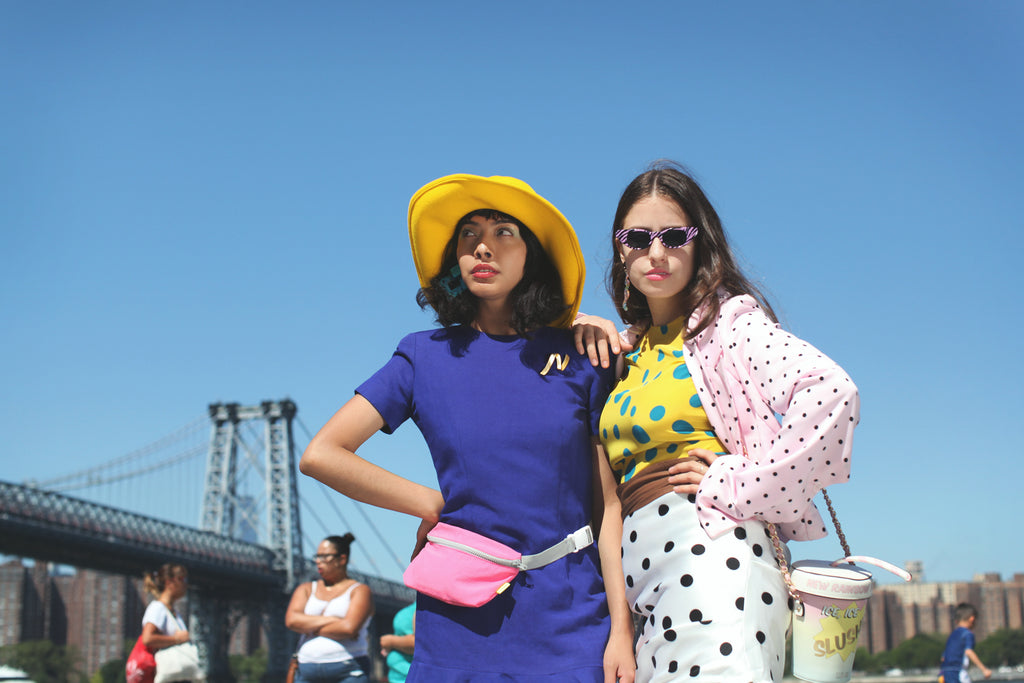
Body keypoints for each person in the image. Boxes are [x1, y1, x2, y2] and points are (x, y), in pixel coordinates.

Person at [300, 173, 635, 682]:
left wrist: (621, 631)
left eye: (504, 232)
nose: (483, 246)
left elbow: (606, 507)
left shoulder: (581, 357)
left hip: (572, 617)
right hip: (456, 621)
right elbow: (322, 453)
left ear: (532, 255)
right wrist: (427, 503)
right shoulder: (421, 356)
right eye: (469, 234)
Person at [575, 161, 860, 682]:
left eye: (673, 236)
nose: (655, 252)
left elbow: (831, 393)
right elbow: (607, 498)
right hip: (645, 590)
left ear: (699, 242)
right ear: (620, 249)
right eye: (637, 237)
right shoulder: (631, 354)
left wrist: (742, 481)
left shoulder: (727, 324)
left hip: (715, 561)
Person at [285, 534, 374, 683]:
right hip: (306, 671)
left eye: (325, 557)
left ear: (342, 559)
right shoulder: (306, 589)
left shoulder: (360, 590)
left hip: (348, 670)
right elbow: (291, 621)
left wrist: (307, 626)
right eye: (317, 557)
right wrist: (334, 620)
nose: (318, 562)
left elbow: (349, 628)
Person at [940, 603, 992, 683]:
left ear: (957, 621)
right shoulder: (967, 634)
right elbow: (969, 652)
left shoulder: (952, 635)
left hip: (944, 673)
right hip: (958, 671)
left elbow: (943, 658)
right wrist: (984, 669)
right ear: (972, 619)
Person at [380, 601, 415, 683]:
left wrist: (390, 641)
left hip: (410, 677)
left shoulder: (426, 608)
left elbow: (420, 644)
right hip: (399, 676)